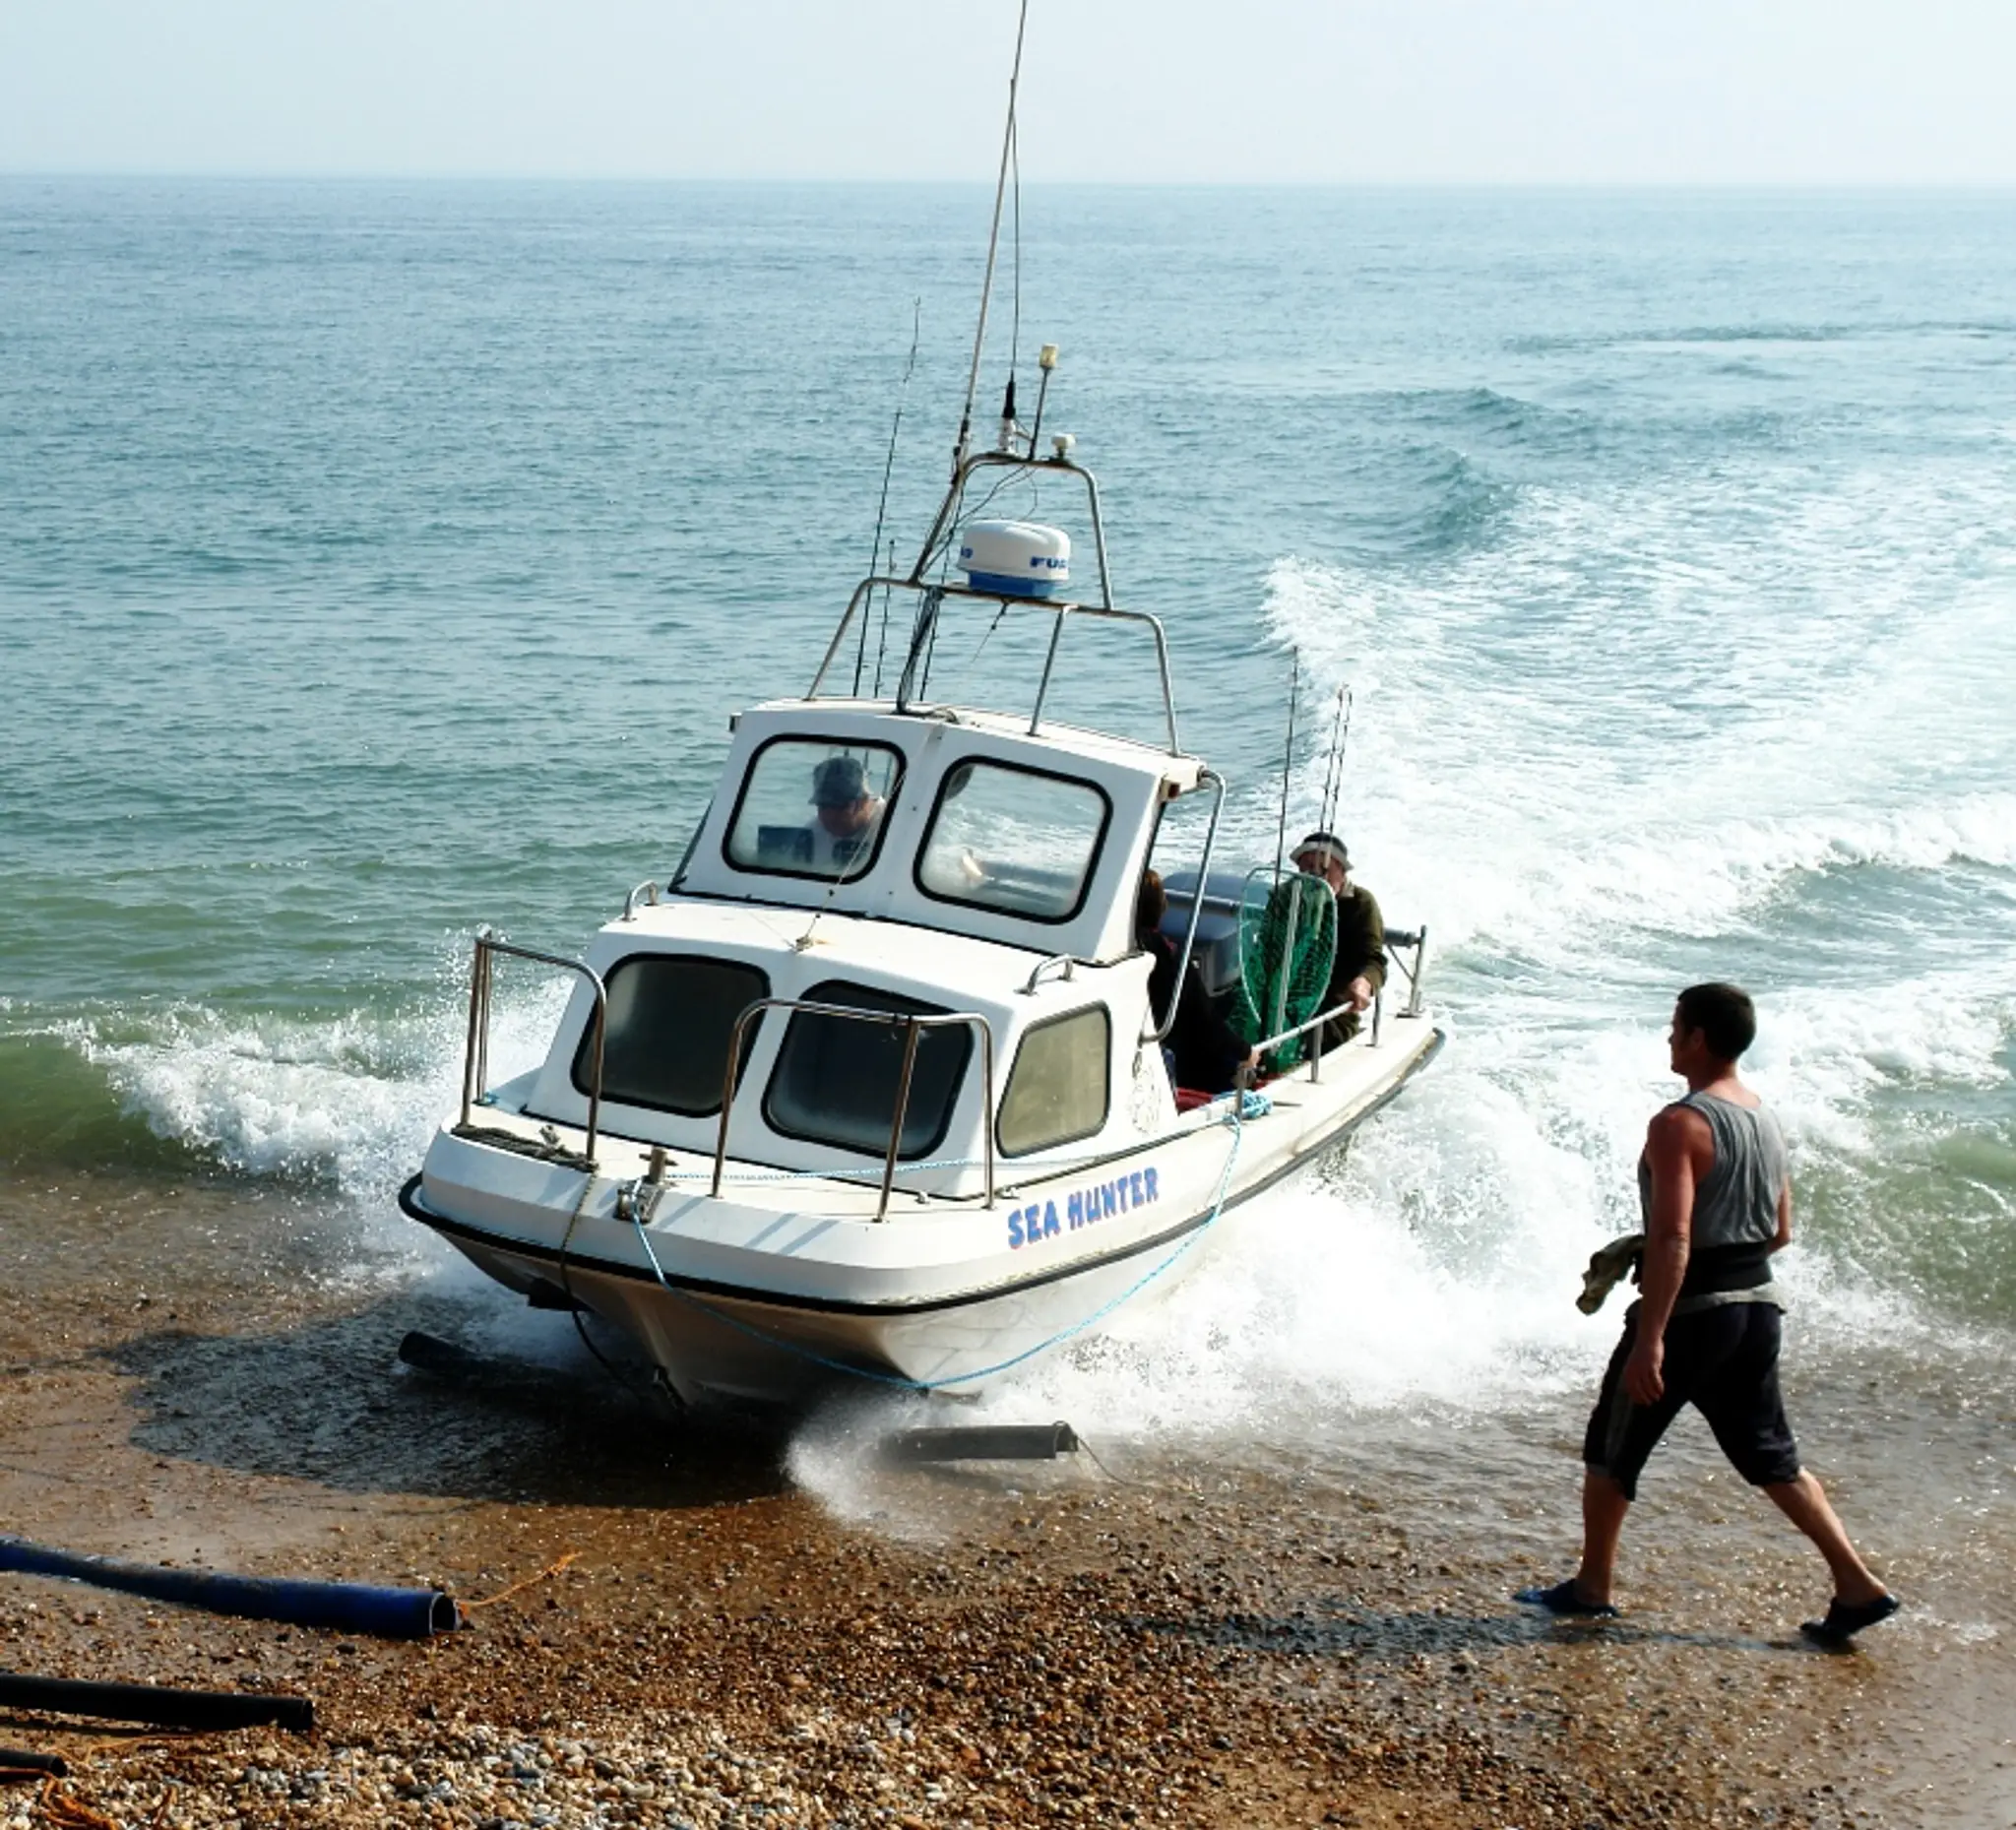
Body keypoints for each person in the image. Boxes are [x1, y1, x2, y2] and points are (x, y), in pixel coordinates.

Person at [1519, 983, 1899, 1645]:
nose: (1668, 1038)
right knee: (1773, 1457)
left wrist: (1651, 1339)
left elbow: (1673, 1237)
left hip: (1694, 1311)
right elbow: (1780, 1230)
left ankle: (1592, 1587)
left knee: (1612, 1447)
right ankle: (1857, 1583)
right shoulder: (1764, 1117)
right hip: (1757, 1308)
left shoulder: (1678, 1123)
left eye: (1675, 1027)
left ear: (1697, 1038)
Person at [1138, 870, 1253, 1095]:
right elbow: (1205, 1020)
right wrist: (1246, 1052)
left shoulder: (1116, 946)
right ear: (1159, 907)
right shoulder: (1169, 957)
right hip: (1170, 1056)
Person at [1290, 831, 1385, 1051]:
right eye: (1306, 869)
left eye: (1323, 870)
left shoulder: (1361, 904)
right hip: (1283, 998)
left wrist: (1363, 983)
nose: (1314, 878)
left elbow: (1374, 960)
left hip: (1332, 1005)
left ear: (1341, 871)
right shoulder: (1287, 898)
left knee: (1316, 1040)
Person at [804, 755, 886, 872]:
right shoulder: (812, 832)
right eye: (823, 806)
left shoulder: (892, 828)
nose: (830, 816)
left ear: (863, 802)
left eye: (839, 806)